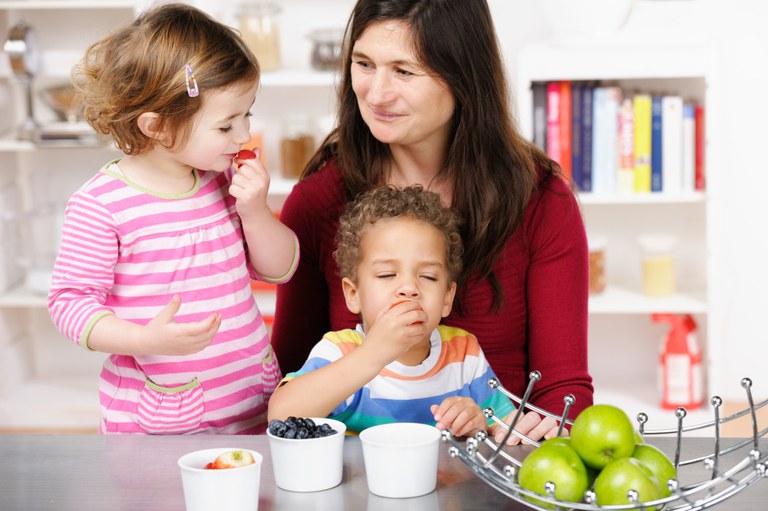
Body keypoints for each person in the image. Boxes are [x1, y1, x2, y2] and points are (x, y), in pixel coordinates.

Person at [271, 0, 593, 442]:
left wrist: (514, 433)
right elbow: (285, 399)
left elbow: (564, 398)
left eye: (404, 71)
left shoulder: (542, 202)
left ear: (463, 76)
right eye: (364, 64)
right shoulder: (315, 204)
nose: (377, 93)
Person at [47, 3, 298, 434]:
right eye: (226, 126)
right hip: (160, 420)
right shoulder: (102, 205)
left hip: (250, 405)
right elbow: (69, 304)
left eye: (247, 116)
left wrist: (255, 212)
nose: (243, 137)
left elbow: (280, 269)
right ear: (156, 126)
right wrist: (143, 341)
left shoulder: (221, 181)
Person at [268, 185, 516, 439]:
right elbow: (280, 416)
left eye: (428, 276)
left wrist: (478, 424)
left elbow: (508, 432)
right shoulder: (339, 352)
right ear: (353, 294)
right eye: (387, 274)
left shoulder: (464, 352)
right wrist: (373, 354)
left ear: (447, 298)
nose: (409, 288)